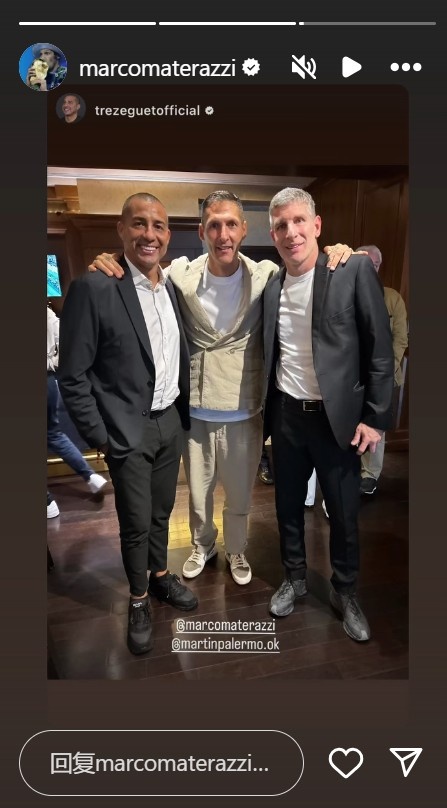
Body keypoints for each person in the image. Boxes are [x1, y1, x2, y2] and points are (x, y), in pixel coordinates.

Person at [89, 191, 354, 589]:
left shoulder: (266, 275)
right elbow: (141, 267)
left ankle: (237, 549)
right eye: (214, 225)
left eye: (231, 224)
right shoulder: (179, 275)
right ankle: (203, 545)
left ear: (244, 230)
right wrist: (109, 257)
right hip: (195, 409)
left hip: (245, 407)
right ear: (202, 232)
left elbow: (307, 261)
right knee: (198, 496)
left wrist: (340, 249)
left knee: (240, 496)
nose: (223, 234)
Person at [58, 194, 198, 656]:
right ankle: (138, 598)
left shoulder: (171, 287)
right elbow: (72, 375)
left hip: (170, 422)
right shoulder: (95, 287)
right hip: (126, 432)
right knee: (135, 522)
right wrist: (101, 436)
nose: (149, 235)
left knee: (161, 513)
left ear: (168, 234)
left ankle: (159, 576)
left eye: (158, 226)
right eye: (139, 224)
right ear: (121, 230)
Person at [263, 188, 394, 642]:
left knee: (343, 512)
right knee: (287, 508)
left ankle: (346, 590)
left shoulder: (351, 269)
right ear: (273, 234)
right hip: (286, 417)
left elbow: (380, 349)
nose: (291, 232)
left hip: (338, 422)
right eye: (281, 225)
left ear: (317, 225)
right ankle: (294, 578)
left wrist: (375, 417)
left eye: (299, 220)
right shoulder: (272, 286)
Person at [356, 245, 408, 495]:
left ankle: (370, 474)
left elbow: (400, 338)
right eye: (365, 263)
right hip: (353, 377)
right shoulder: (346, 294)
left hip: (384, 376)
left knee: (376, 423)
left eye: (374, 264)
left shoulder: (392, 298)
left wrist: (386, 370)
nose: (370, 268)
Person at [47, 305, 107, 517]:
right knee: (53, 433)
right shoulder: (48, 313)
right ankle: (90, 476)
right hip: (48, 381)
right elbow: (65, 343)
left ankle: (46, 501)